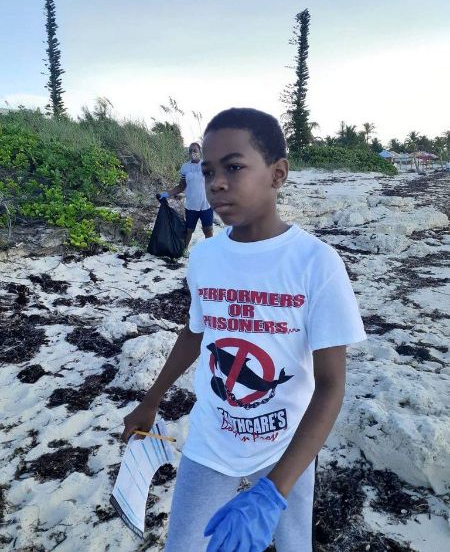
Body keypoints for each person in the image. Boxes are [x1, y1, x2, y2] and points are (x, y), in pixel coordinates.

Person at [123, 108, 367, 551]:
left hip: (287, 444)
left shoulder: (316, 263)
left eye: (234, 167)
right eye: (209, 170)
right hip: (212, 438)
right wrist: (151, 399)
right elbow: (198, 332)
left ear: (277, 174)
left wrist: (275, 488)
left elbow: (331, 386)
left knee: (294, 545)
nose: (217, 182)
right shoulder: (205, 257)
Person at [158, 142, 214, 249]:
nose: (193, 153)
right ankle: (183, 251)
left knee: (208, 231)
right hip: (191, 205)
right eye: (190, 151)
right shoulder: (185, 167)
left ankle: (210, 253)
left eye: (195, 150)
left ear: (200, 152)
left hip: (206, 205)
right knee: (189, 230)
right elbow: (181, 186)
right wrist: (167, 194)